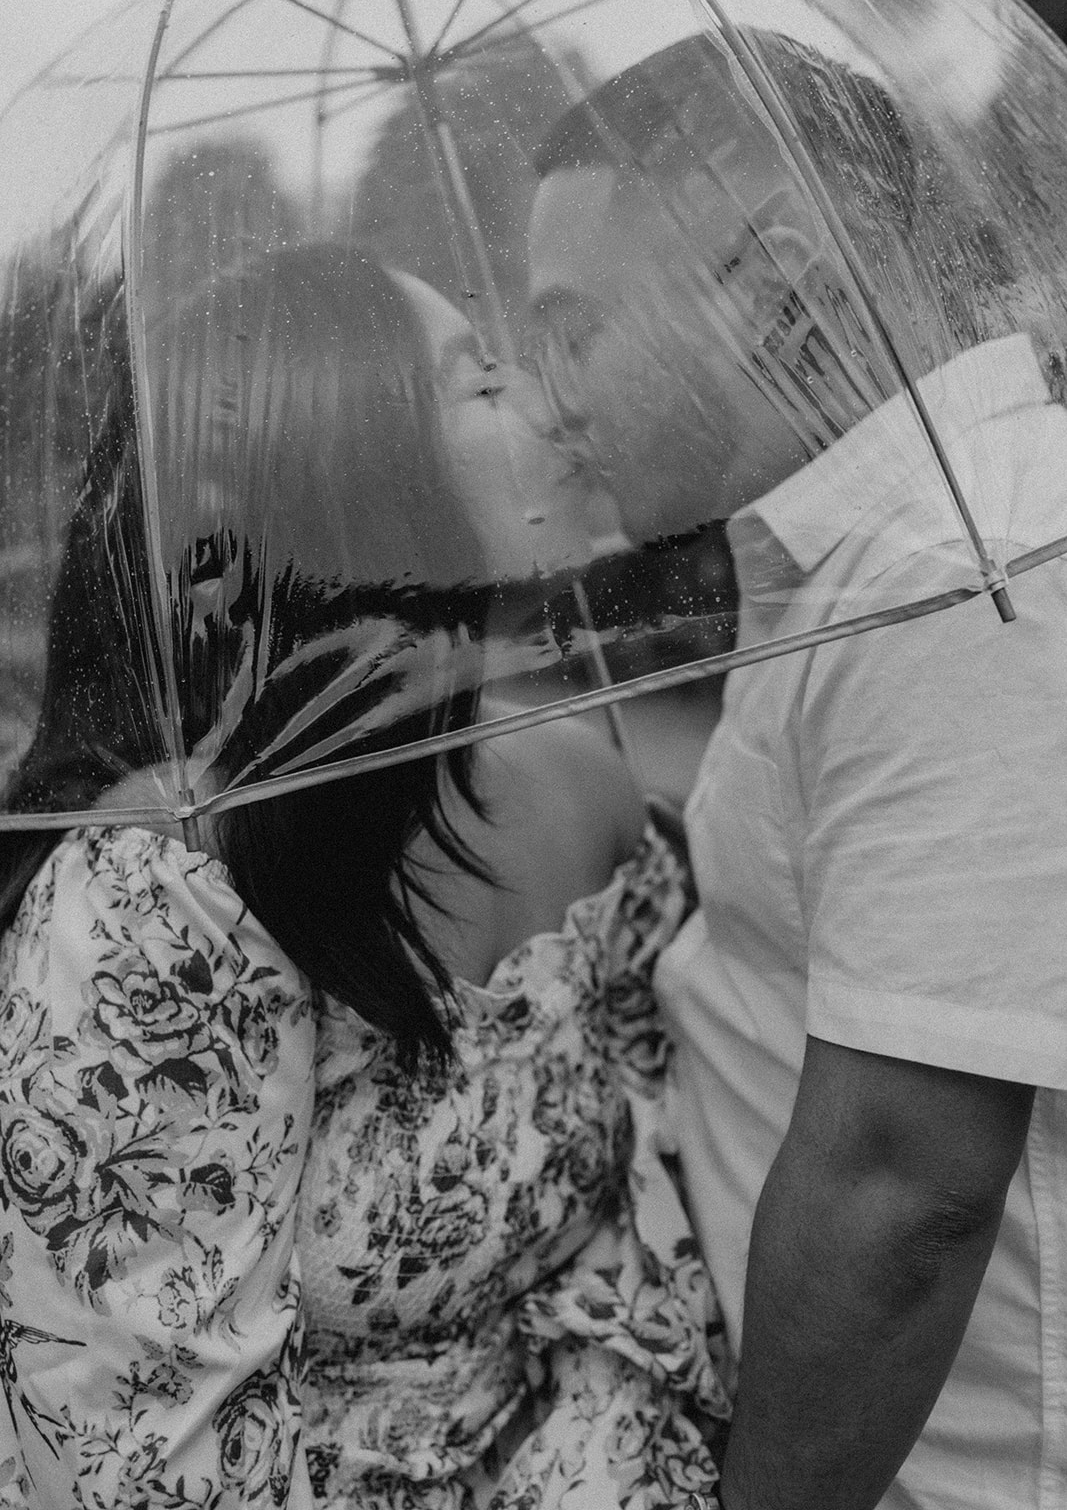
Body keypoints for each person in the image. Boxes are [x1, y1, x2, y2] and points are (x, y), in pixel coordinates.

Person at [0, 244, 731, 1508]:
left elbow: (659, 1162)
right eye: (477, 379)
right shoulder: (155, 903)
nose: (548, 404)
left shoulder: (581, 768)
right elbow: (122, 1457)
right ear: (354, 483)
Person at [527, 31, 1067, 1510]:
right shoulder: (859, 566)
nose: (546, 402)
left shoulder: (966, 567)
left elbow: (905, 1187)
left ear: (772, 289)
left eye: (571, 330)